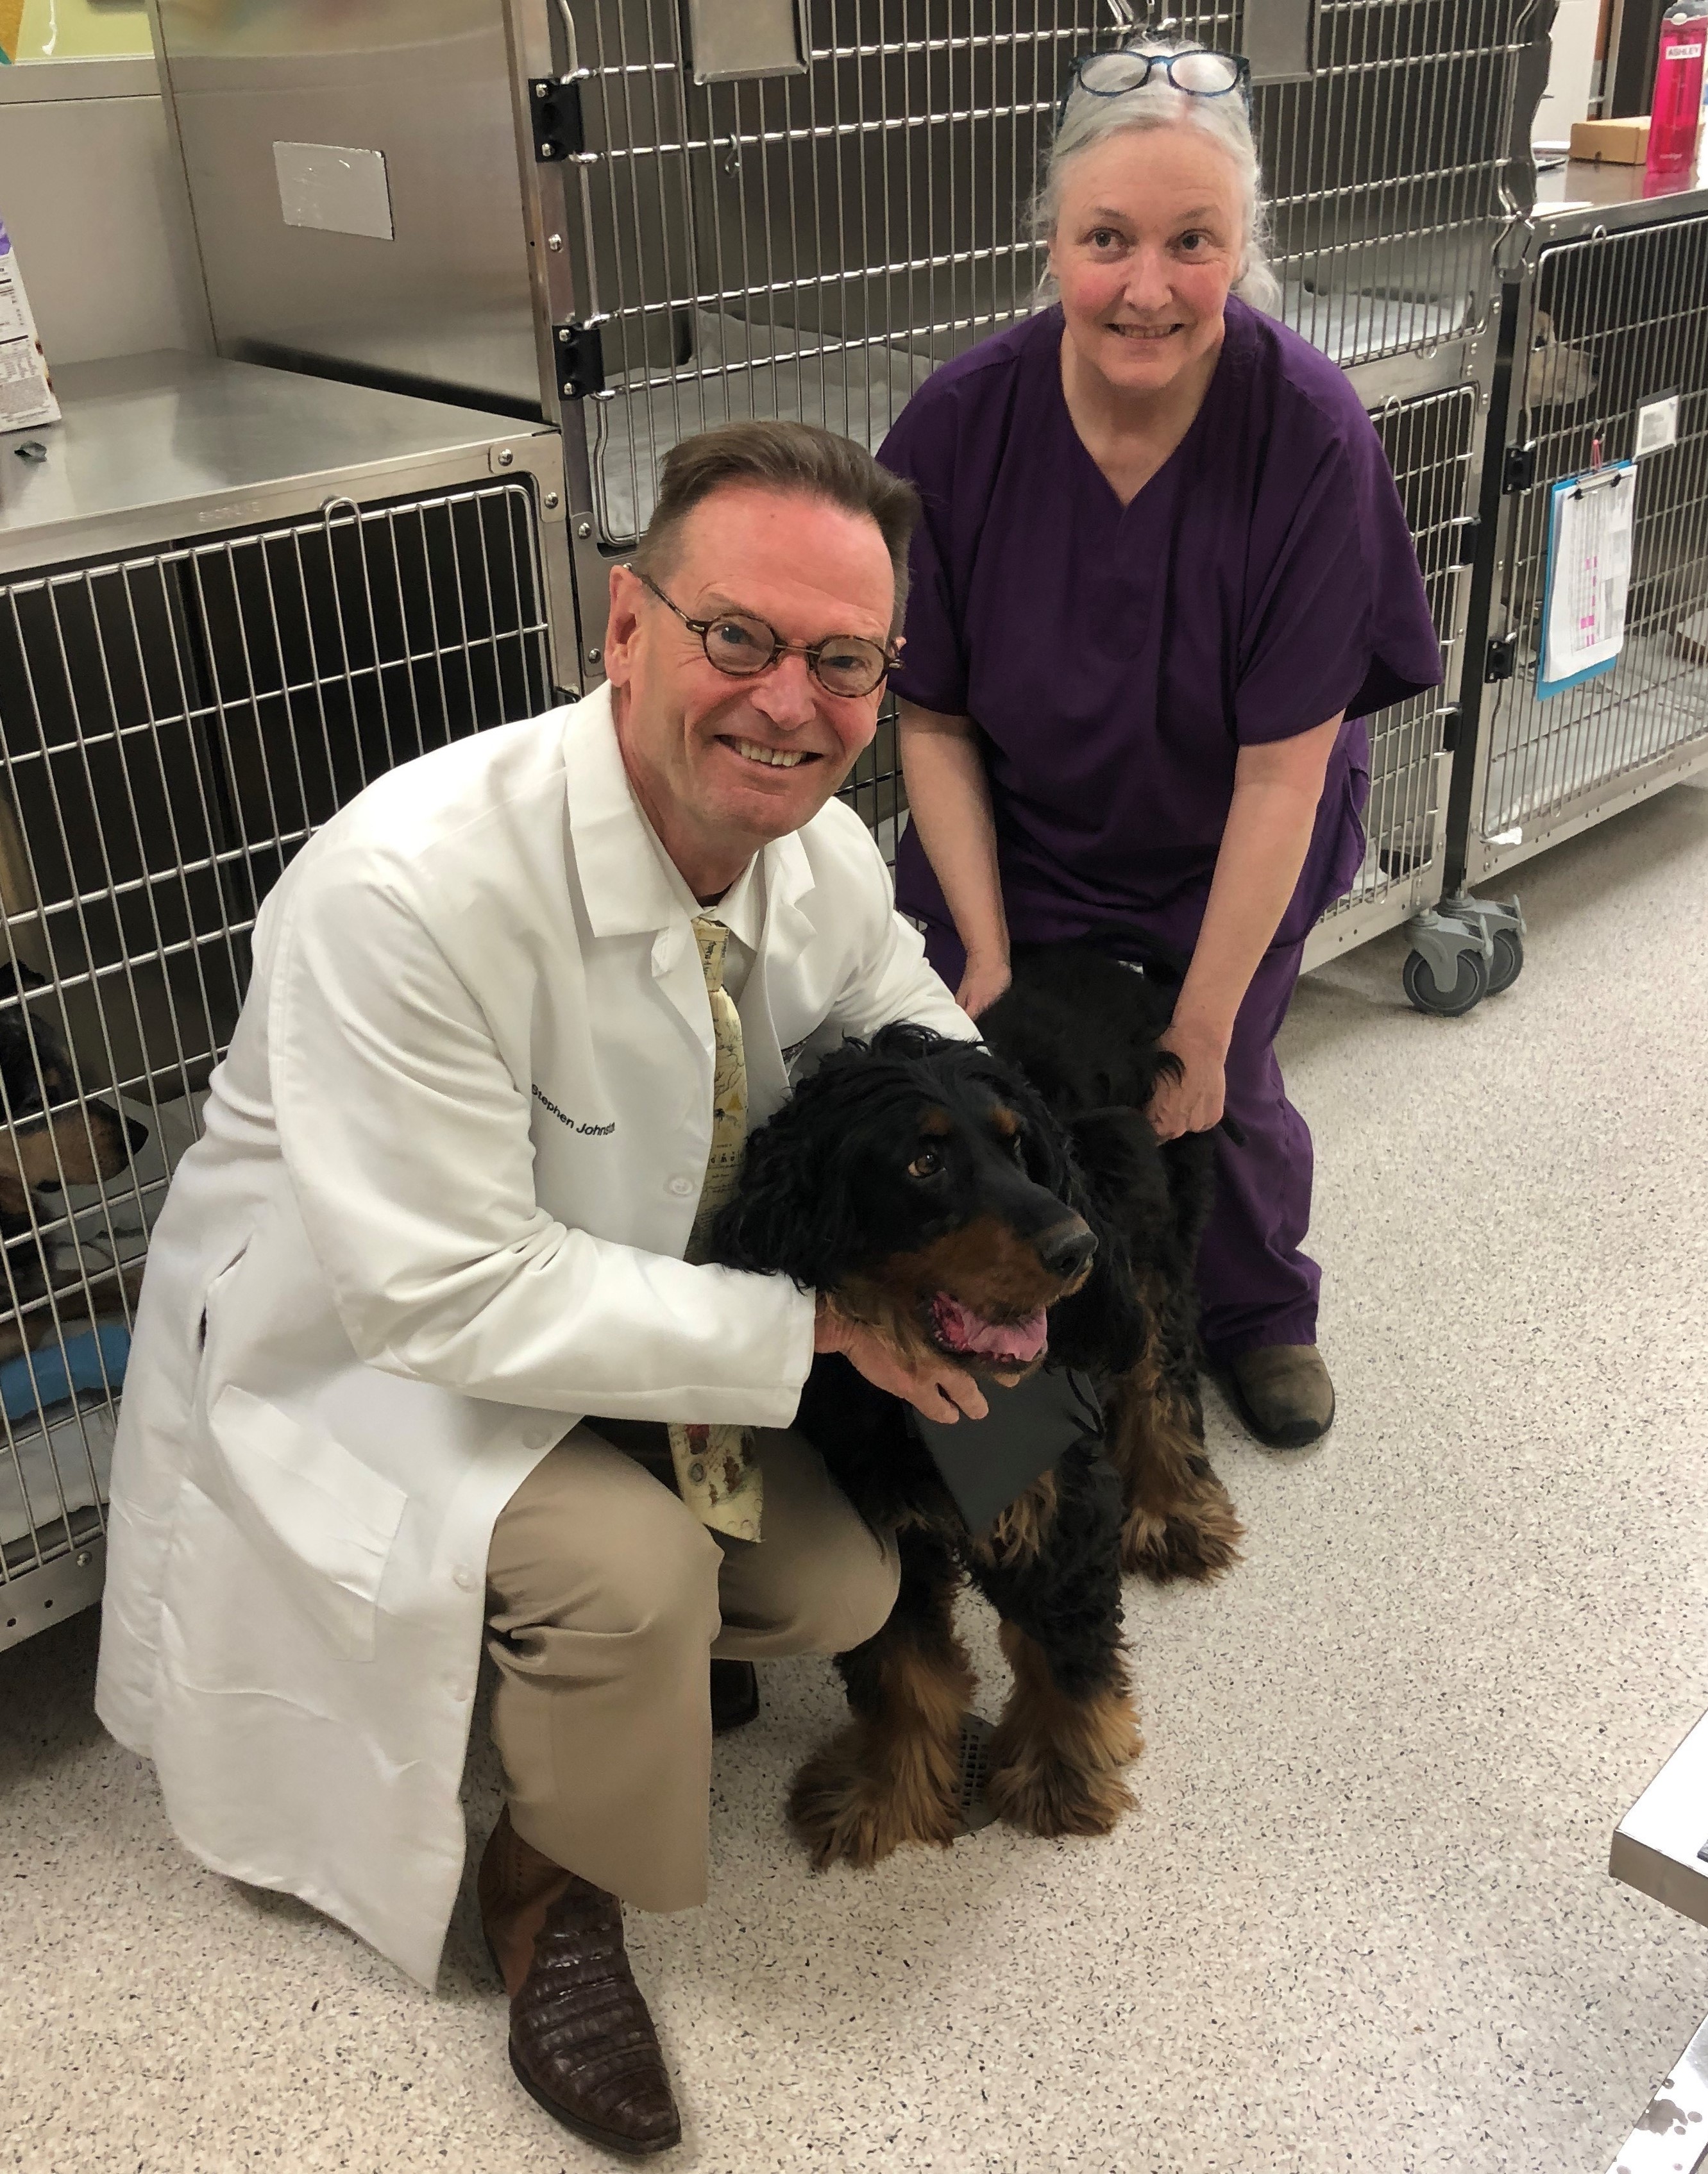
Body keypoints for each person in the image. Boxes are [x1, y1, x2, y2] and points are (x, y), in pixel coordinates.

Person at [94, 421, 990, 2159]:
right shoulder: (414, 885)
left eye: (845, 661)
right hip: (368, 1344)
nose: (789, 701)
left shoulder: (817, 856)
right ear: (627, 627)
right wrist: (813, 1327)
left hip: (625, 1299)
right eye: (739, 635)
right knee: (636, 1576)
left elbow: (920, 1040)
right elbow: (442, 1293)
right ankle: (548, 1891)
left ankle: (576, 1704)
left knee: (836, 1576)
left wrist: (1015, 1236)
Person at [880, 40, 1442, 1451]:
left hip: (1231, 830)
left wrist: (1197, 1017)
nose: (1148, 285)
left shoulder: (1309, 432)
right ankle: (999, 1331)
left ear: (1246, 244)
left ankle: (1260, 1313)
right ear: (1053, 243)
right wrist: (991, 956)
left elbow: (1282, 773)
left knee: (1225, 1087)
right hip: (1009, 817)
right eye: (1108, 240)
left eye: (1194, 243)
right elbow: (931, 718)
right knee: (981, 1076)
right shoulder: (960, 424)